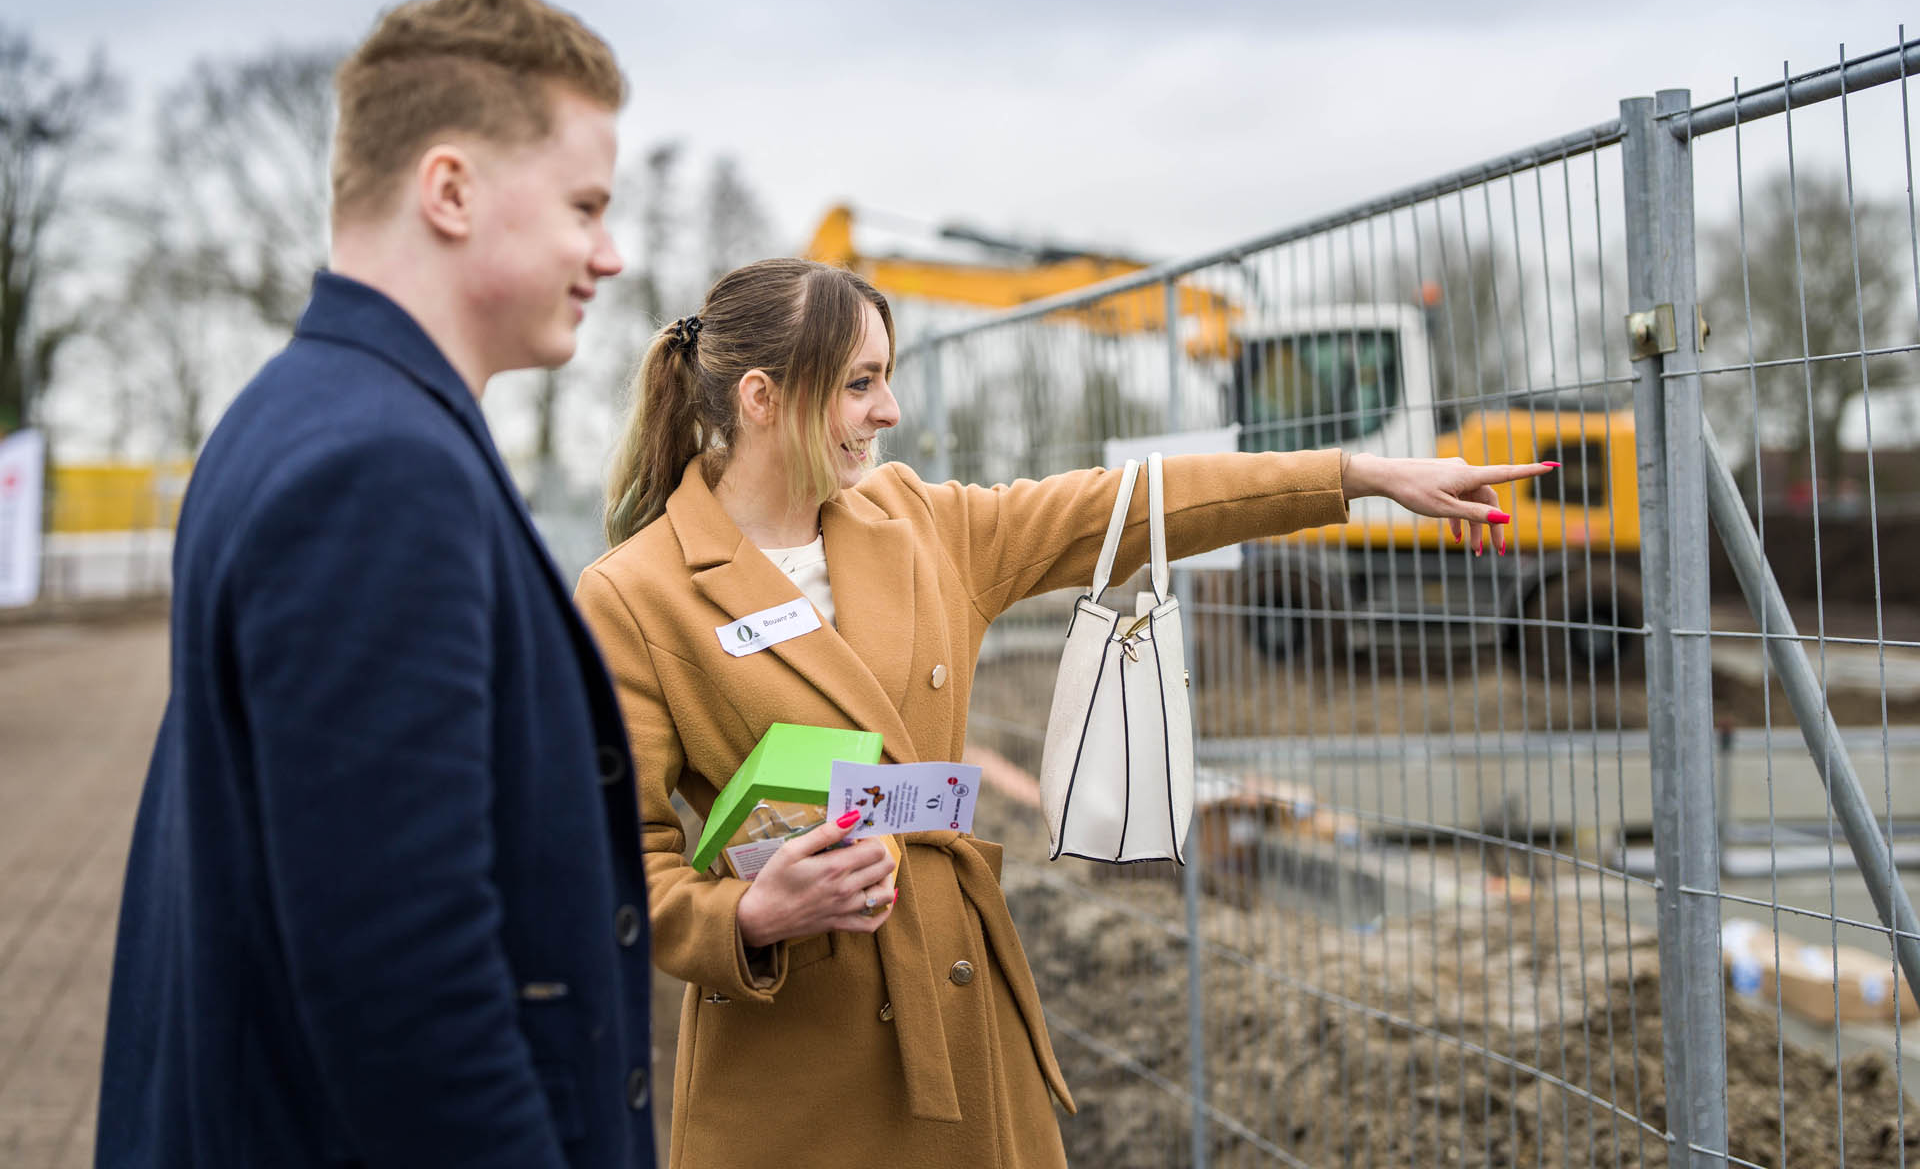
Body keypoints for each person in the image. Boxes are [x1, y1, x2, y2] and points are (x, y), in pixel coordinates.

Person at [574, 258, 1548, 1169]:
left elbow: (1127, 502)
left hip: (956, 1008)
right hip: (796, 1058)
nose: (892, 410)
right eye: (861, 383)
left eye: (889, 377)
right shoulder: (635, 595)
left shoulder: (918, 524)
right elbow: (623, 861)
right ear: (764, 397)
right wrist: (750, 912)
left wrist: (1354, 478)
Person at [97, 0, 657, 1169]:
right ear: (448, 189)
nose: (610, 253)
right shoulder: (379, 466)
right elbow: (406, 981)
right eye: (585, 205)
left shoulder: (297, 413)